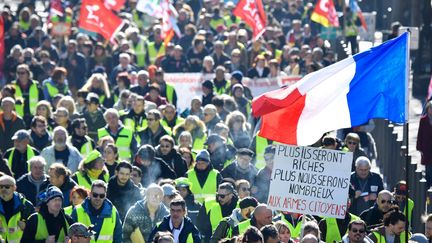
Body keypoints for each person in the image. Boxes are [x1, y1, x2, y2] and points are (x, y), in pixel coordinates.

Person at [0, 175, 35, 243]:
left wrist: (26, 226)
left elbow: (35, 229)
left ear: (14, 188)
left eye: (7, 186)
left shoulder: (26, 205)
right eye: (1, 186)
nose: (3, 189)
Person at [417, 100, 432, 188]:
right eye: (430, 108)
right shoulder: (423, 120)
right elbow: (420, 134)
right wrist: (419, 147)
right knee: (428, 169)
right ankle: (428, 188)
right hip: (427, 148)